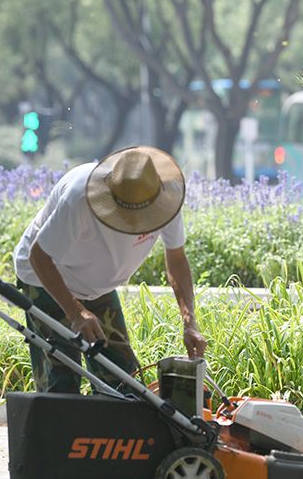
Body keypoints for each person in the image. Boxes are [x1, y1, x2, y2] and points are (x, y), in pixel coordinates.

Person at [13, 145, 206, 394]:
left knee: (122, 381)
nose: (139, 224)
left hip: (98, 286)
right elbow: (39, 257)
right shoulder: (79, 198)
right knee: (61, 382)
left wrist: (189, 321)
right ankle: (60, 429)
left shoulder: (167, 199)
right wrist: (75, 312)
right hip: (46, 278)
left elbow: (177, 259)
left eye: (146, 214)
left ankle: (103, 430)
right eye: (129, 214)